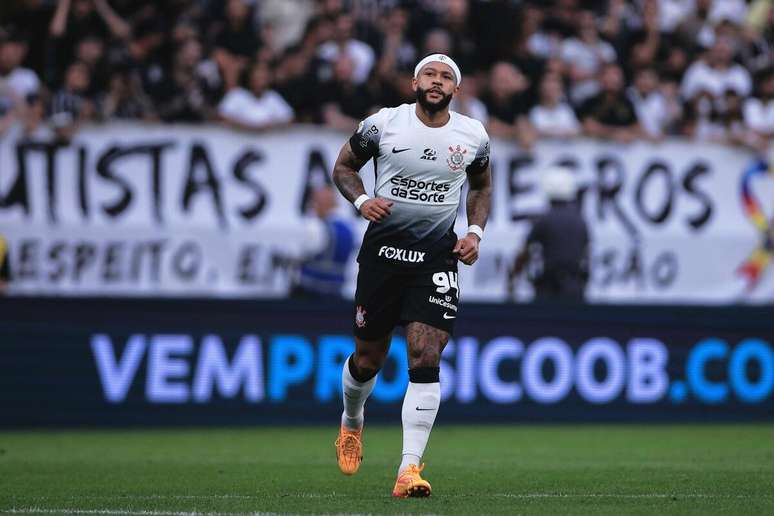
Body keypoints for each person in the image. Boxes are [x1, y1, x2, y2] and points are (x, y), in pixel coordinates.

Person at [331, 53, 491, 498]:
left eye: (446, 77)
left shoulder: (473, 135)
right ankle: (352, 422)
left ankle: (409, 470)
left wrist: (475, 232)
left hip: (436, 258)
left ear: (456, 89)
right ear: (414, 83)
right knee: (368, 360)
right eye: (430, 74)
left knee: (425, 353)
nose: (437, 81)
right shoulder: (383, 124)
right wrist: (362, 201)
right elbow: (343, 167)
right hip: (383, 256)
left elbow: (481, 186)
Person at [509, 165, 589, 302]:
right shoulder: (580, 221)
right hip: (575, 288)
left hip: (548, 289)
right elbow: (587, 255)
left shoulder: (543, 220)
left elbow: (524, 252)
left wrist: (513, 278)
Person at [291, 186, 355, 299]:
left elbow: (298, 255)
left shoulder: (317, 227)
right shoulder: (349, 228)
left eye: (314, 202)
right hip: (337, 292)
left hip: (311, 293)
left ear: (323, 203)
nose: (312, 207)